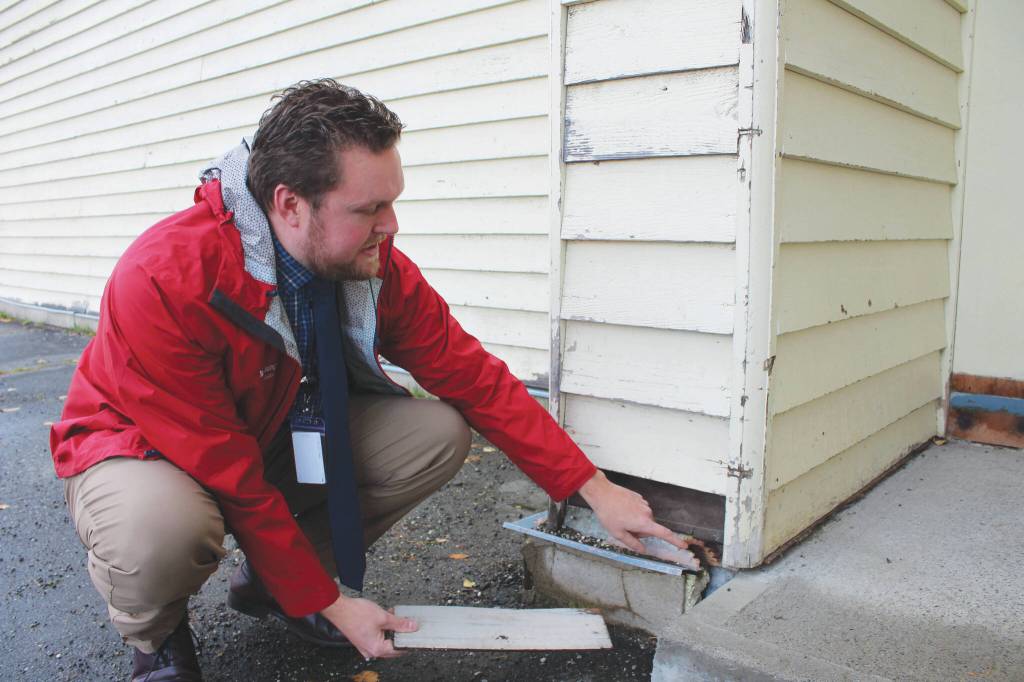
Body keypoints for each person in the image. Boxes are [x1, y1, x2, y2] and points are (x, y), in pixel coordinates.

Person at [50, 79, 688, 681]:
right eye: (370, 208)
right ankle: (155, 637)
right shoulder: (166, 277)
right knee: (162, 529)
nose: (392, 225)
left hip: (263, 425)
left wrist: (593, 489)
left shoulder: (373, 265)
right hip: (142, 449)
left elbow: (470, 373)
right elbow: (226, 469)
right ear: (290, 205)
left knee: (435, 432)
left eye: (394, 201)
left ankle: (281, 586)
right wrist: (331, 602)